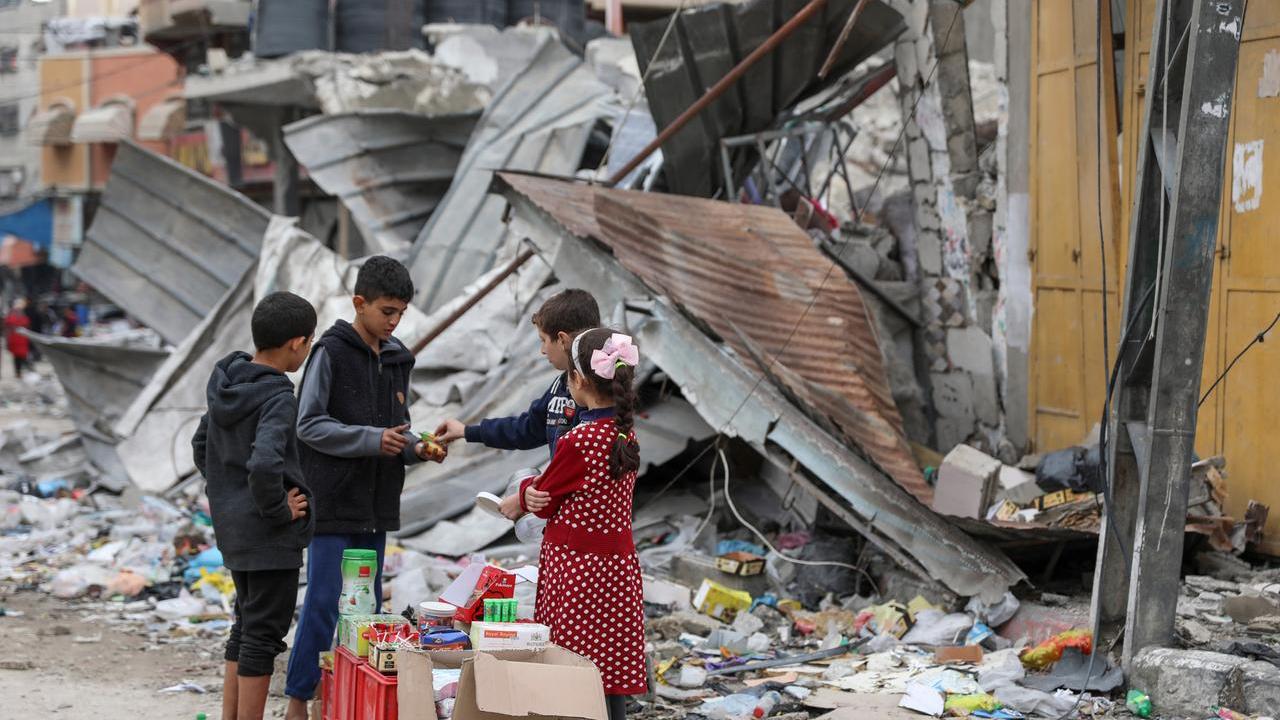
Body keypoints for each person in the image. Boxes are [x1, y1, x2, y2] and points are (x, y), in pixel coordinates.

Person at [285, 256, 443, 720]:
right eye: (386, 311)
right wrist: (372, 440)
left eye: (401, 313)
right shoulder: (330, 352)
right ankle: (298, 699)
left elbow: (399, 429)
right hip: (333, 501)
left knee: (365, 612)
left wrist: (417, 448)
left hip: (376, 506)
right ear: (359, 303)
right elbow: (308, 424)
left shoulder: (397, 359)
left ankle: (350, 703)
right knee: (323, 601)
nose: (394, 322)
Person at [500, 328, 647, 720]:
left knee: (572, 665)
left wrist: (524, 491)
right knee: (607, 669)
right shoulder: (625, 434)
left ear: (579, 380)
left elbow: (546, 497)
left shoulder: (579, 441)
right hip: (617, 572)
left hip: (578, 572)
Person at [190, 291, 318, 720]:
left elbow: (202, 443)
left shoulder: (227, 383)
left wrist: (229, 493)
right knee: (263, 635)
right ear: (297, 343)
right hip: (269, 537)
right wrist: (279, 509)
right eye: (309, 343)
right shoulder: (277, 396)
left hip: (235, 531)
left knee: (245, 627)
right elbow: (265, 463)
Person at [434, 289, 600, 458]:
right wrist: (466, 431)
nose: (542, 350)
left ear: (562, 340)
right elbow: (527, 429)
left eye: (543, 340)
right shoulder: (560, 386)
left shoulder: (601, 394)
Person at [5, 299, 31, 378]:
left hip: (21, 340)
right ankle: (18, 372)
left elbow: (26, 324)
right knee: (17, 357)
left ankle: (19, 371)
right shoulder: (13, 316)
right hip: (16, 340)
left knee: (20, 356)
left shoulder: (21, 315)